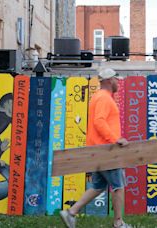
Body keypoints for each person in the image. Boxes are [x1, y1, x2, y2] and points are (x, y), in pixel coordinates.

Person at [60, 68, 130, 228]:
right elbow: (99, 121)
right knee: (118, 186)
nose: (117, 82)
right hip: (107, 150)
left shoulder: (99, 97)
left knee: (98, 186)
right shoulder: (104, 98)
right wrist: (115, 139)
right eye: (115, 79)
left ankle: (71, 213)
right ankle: (119, 223)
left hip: (98, 149)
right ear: (108, 81)